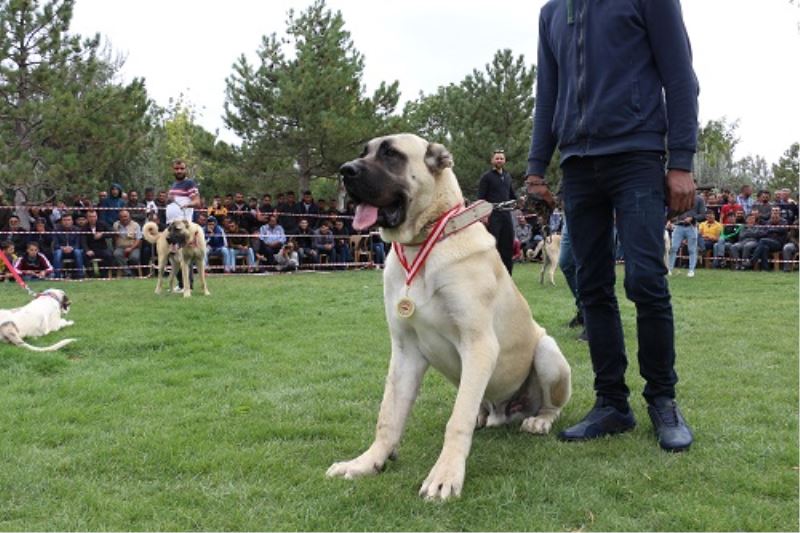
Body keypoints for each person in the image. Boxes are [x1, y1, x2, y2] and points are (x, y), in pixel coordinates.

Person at [525, 0, 699, 451]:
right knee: (592, 283)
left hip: (638, 155)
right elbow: (549, 93)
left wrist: (681, 159)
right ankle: (611, 404)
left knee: (646, 278)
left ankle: (662, 399)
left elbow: (680, 77)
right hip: (578, 164)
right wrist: (536, 167)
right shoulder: (551, 13)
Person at [478, 149, 516, 274]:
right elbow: (481, 198)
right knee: (493, 245)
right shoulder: (486, 177)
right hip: (492, 215)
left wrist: (519, 201)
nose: (499, 160)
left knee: (508, 245)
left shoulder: (507, 176)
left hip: (506, 215)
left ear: (504, 160)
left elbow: (512, 195)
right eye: (497, 158)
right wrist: (484, 216)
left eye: (501, 158)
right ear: (492, 160)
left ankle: (507, 275)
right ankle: (490, 273)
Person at [667, 193, 705, 278]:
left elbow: (703, 215)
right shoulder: (679, 198)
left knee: (692, 249)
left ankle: (691, 270)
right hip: (678, 226)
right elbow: (673, 211)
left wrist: (692, 218)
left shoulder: (699, 199)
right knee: (673, 247)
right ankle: (669, 269)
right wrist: (670, 220)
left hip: (691, 227)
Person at [751, 207, 788, 271]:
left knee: (762, 241)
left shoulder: (784, 221)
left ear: (779, 214)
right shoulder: (768, 222)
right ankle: (766, 268)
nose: (775, 214)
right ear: (771, 214)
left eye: (776, 212)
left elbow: (782, 230)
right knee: (764, 247)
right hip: (768, 242)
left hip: (778, 243)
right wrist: (770, 230)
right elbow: (763, 232)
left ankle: (753, 259)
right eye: (773, 213)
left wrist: (770, 230)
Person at [52, 213, 85, 279]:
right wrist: (63, 248)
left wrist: (71, 248)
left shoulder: (77, 230)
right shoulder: (56, 230)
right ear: (61, 221)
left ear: (72, 221)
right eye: (64, 220)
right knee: (58, 253)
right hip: (61, 251)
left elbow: (78, 244)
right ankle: (57, 276)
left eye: (68, 220)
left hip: (73, 250)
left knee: (78, 252)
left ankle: (80, 275)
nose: (66, 222)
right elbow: (55, 244)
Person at [81, 210, 114, 278]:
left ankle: (104, 275)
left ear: (97, 217)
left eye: (94, 216)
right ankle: (91, 275)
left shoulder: (102, 224)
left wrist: (102, 234)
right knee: (84, 256)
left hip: (101, 248)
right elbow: (83, 241)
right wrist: (87, 250)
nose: (93, 218)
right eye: (90, 217)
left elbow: (112, 232)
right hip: (90, 249)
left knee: (109, 255)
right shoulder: (84, 227)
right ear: (87, 218)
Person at [112, 209, 142, 276]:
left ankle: (132, 272)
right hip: (121, 247)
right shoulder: (116, 225)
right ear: (119, 218)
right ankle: (128, 273)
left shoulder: (136, 225)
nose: (124, 218)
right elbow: (115, 237)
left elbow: (138, 239)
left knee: (134, 258)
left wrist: (131, 248)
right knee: (116, 254)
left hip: (133, 247)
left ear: (129, 217)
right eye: (122, 217)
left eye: (125, 216)